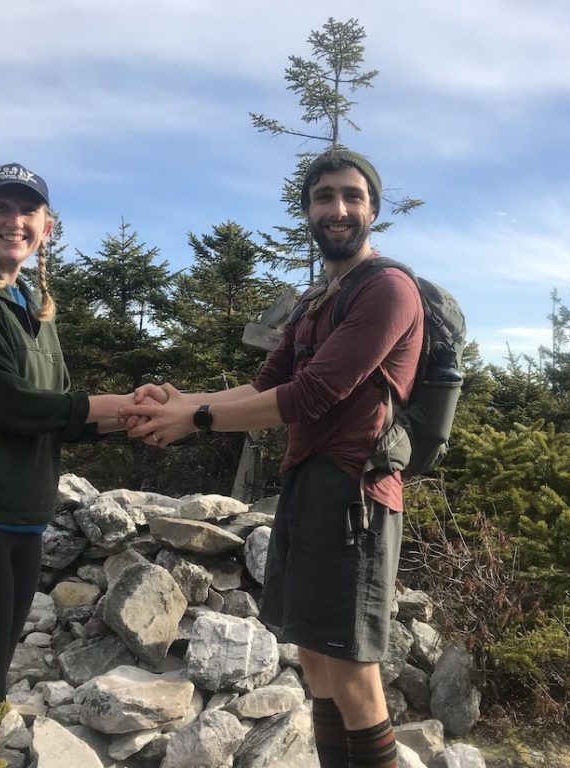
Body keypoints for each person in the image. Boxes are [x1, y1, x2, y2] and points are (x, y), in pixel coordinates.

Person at [121, 147, 422, 768]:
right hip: (308, 486)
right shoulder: (317, 298)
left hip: (354, 497)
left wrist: (194, 419)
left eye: (351, 196)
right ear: (307, 209)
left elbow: (312, 394)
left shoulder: (388, 290)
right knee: (315, 660)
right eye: (323, 197)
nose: (337, 209)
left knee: (355, 675)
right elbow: (264, 385)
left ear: (373, 210)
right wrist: (182, 402)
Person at [0, 163, 135, 736]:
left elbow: (58, 415)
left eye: (27, 211)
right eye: (0, 208)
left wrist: (134, 417)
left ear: (48, 226)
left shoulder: (34, 306)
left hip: (22, 522)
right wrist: (114, 403)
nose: (14, 221)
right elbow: (8, 404)